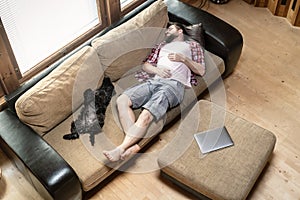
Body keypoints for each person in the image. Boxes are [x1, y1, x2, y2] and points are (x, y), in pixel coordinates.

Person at [103, 22, 206, 162]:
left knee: (146, 114)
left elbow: (201, 70)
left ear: (180, 30)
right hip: (154, 81)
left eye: (170, 29)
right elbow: (146, 65)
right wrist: (157, 70)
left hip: (173, 85)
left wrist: (184, 59)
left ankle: (120, 149)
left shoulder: (192, 46)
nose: (166, 32)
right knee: (122, 100)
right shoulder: (161, 46)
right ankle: (133, 146)